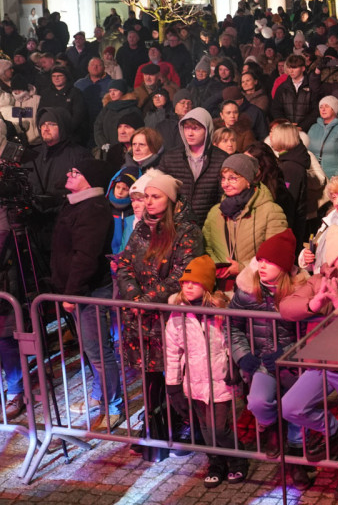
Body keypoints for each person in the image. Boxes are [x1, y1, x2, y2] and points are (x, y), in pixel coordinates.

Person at [115, 170, 203, 462]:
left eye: (155, 196)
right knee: (150, 376)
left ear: (171, 200)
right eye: (146, 197)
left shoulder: (187, 231)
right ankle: (156, 428)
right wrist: (134, 297)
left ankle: (189, 425)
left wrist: (147, 300)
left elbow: (182, 275)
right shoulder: (141, 227)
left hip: (170, 316)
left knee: (178, 375)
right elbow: (125, 264)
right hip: (141, 317)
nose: (148, 202)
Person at [279, 228, 338, 463]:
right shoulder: (320, 280)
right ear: (332, 258)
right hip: (323, 361)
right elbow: (286, 307)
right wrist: (313, 304)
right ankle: (334, 431)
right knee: (291, 406)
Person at [164, 255, 248, 488]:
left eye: (195, 282)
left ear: (207, 285)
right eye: (185, 282)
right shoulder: (177, 313)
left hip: (220, 379)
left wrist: (234, 364)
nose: (188, 286)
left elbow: (232, 340)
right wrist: (173, 385)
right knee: (205, 428)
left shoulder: (222, 311)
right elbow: (172, 351)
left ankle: (238, 459)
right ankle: (216, 463)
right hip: (194, 381)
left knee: (219, 428)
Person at [53, 159, 123, 427]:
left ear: (90, 179)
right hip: (79, 289)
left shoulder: (93, 208)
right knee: (91, 349)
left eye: (76, 172)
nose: (69, 174)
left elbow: (85, 256)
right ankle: (98, 395)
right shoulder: (76, 204)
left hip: (89, 290)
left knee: (98, 351)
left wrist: (72, 292)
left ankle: (112, 406)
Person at [228, 229, 305, 466]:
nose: (261, 265)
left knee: (296, 404)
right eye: (260, 259)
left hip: (293, 364)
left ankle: (297, 453)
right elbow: (232, 326)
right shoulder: (247, 292)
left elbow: (310, 333)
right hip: (262, 363)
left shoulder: (300, 291)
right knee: (257, 402)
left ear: (283, 266)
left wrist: (288, 353)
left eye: (269, 261)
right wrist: (243, 356)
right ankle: (273, 428)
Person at [201, 154, 289, 282]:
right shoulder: (215, 212)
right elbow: (206, 247)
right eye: (223, 178)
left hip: (255, 284)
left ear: (248, 180)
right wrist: (219, 266)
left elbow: (276, 252)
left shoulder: (271, 211)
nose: (225, 184)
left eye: (232, 178)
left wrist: (243, 267)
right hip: (221, 284)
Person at [158, 108, 229, 225]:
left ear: (207, 130)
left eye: (195, 128)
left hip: (209, 224)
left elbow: (224, 196)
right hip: (176, 225)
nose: (190, 133)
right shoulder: (170, 158)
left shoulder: (221, 159)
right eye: (186, 128)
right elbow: (160, 191)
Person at [307, 95, 338, 179]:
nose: (323, 109)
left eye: (327, 106)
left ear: (334, 109)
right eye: (321, 107)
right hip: (314, 176)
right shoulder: (314, 128)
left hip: (334, 176)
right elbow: (307, 151)